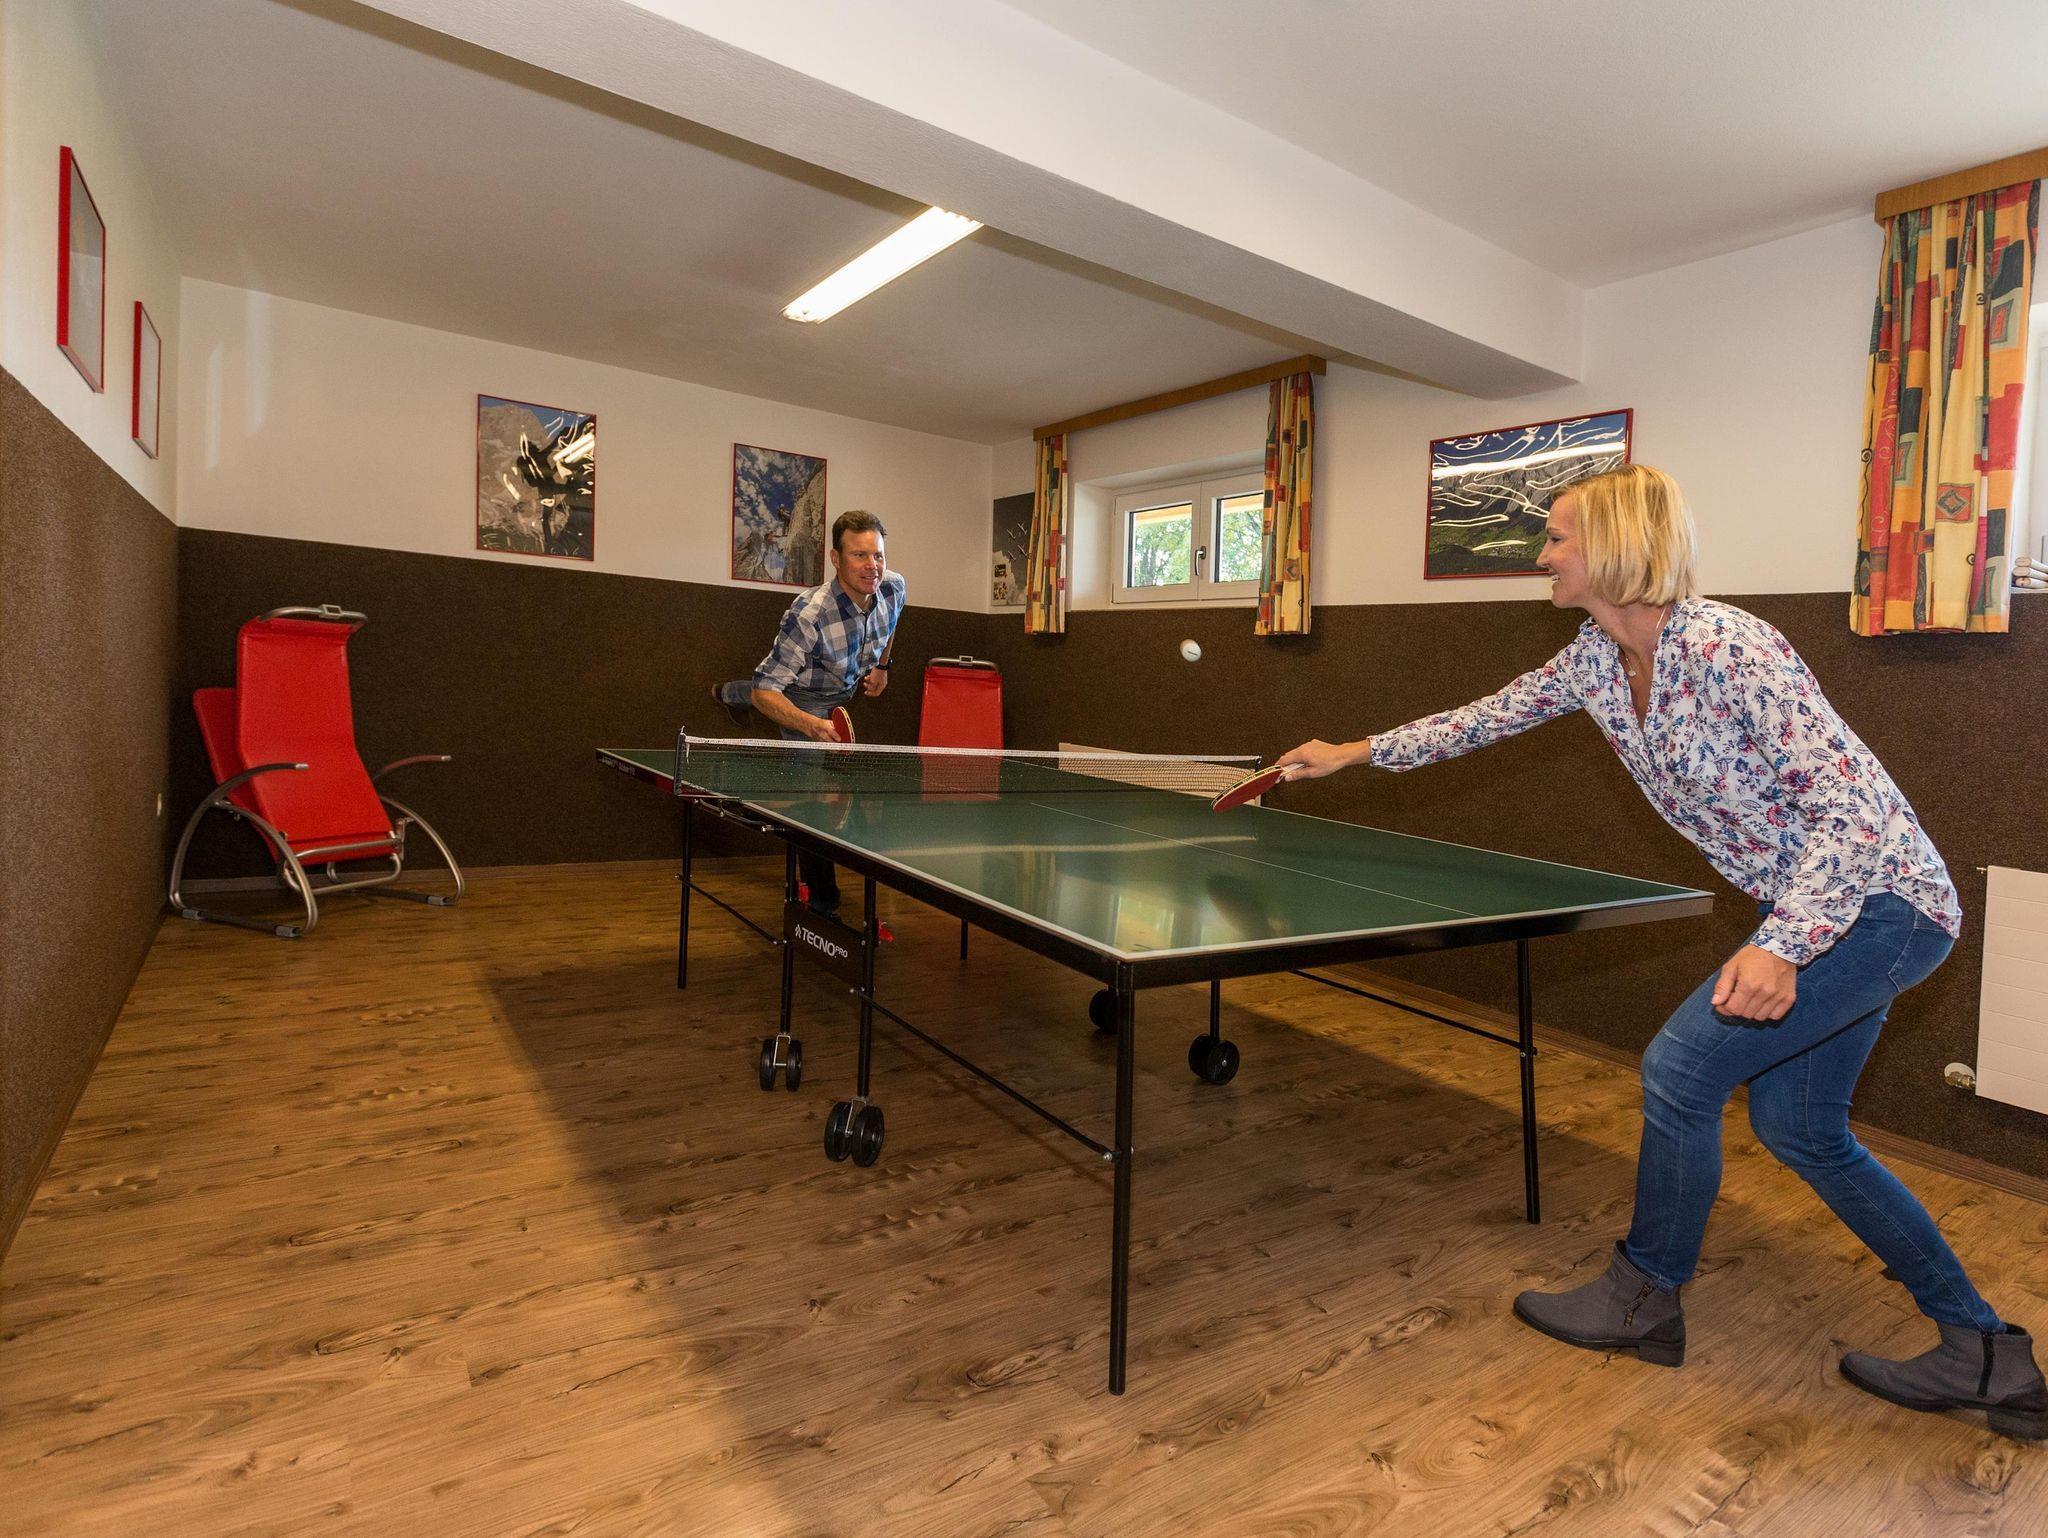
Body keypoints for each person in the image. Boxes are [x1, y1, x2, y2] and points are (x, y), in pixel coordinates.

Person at [1276, 464, 2044, 1442]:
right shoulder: (1594, 660)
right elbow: (1485, 717)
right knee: (1801, 1131)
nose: (1542, 555)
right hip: (1823, 912)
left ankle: (1643, 1297)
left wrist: (1781, 945)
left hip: (1880, 906)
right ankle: (1986, 1352)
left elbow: (1851, 812)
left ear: (1612, 544)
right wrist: (1351, 751)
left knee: (1679, 1071)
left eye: (1556, 536)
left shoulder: (1730, 646)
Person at [713, 509, 904, 918]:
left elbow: (891, 625)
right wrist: (811, 725)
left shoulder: (893, 586)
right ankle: (822, 902)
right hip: (804, 698)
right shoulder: (809, 614)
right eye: (859, 555)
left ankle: (729, 694)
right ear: (836, 558)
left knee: (760, 687)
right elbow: (767, 692)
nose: (872, 566)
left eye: (877, 555)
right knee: (813, 802)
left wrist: (883, 667)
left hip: (844, 687)